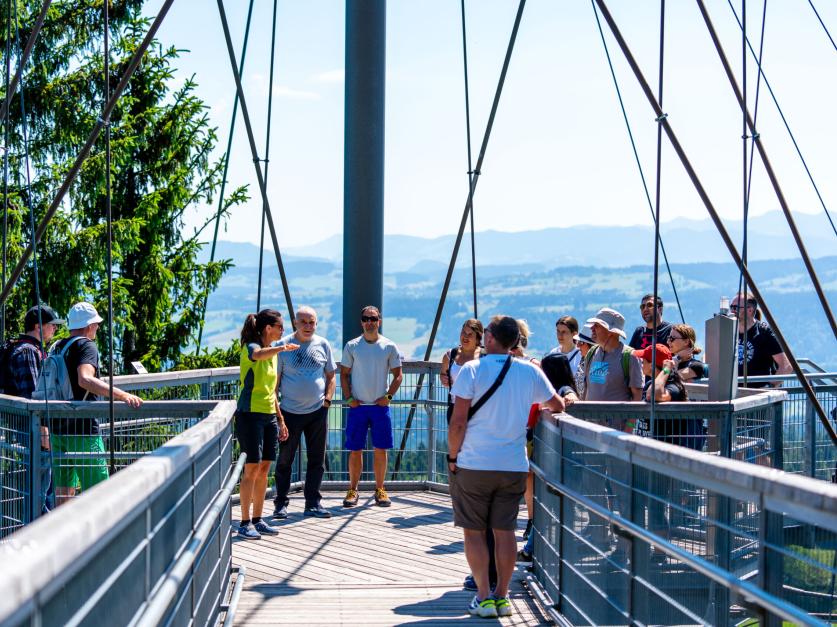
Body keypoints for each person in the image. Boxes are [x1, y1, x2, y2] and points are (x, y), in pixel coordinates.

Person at [448, 315, 565, 618]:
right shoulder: (529, 371)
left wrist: (452, 457)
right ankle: (502, 596)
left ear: (489, 338)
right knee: (505, 532)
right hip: (513, 464)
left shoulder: (472, 370)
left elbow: (458, 422)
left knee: (474, 532)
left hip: (474, 463)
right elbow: (557, 405)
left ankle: (483, 596)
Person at [50, 302, 143, 506]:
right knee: (98, 491)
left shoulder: (58, 346)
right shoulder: (86, 345)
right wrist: (122, 395)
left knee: (63, 490)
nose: (98, 327)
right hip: (82, 429)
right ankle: (98, 527)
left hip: (58, 427)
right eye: (96, 324)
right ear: (89, 325)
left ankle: (63, 526)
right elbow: (85, 379)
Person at [235, 309, 297, 540]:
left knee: (264, 469)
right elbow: (258, 354)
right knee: (251, 468)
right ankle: (244, 522)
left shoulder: (272, 354)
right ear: (268, 328)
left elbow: (271, 392)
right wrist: (281, 348)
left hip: (269, 415)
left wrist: (280, 419)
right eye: (280, 327)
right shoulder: (252, 347)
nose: (282, 331)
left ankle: (258, 519)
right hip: (250, 415)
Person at [272, 306, 336, 520]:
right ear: (295, 323)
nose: (308, 326)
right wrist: (278, 415)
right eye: (304, 322)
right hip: (289, 412)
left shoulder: (323, 344)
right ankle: (280, 504)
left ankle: (313, 503)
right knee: (285, 460)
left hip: (317, 411)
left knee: (317, 459)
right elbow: (275, 383)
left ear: (316, 324)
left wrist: (327, 401)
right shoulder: (282, 346)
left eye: (312, 322)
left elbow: (331, 376)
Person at [2, 305, 66, 513]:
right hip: (34, 430)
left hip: (27, 427)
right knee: (40, 488)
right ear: (38, 326)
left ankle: (39, 524)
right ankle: (39, 528)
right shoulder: (29, 351)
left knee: (40, 488)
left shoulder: (22, 347)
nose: (55, 329)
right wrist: (43, 430)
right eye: (52, 325)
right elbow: (32, 394)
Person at [517, 351, 578, 563]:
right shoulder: (552, 391)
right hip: (555, 456)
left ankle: (533, 550)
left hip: (557, 457)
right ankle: (535, 549)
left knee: (549, 507)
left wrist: (568, 400)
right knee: (551, 507)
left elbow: (571, 397)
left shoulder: (562, 390)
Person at [340, 306, 403, 508]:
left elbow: (398, 375)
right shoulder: (352, 346)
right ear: (361, 322)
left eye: (373, 319)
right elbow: (343, 374)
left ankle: (380, 489)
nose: (369, 322)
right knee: (355, 450)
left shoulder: (389, 346)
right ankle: (353, 490)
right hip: (358, 406)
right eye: (366, 318)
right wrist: (349, 398)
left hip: (379, 407)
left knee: (381, 449)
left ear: (379, 321)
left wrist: (389, 396)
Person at [583, 308, 643, 409]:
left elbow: (637, 396)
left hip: (618, 419)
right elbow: (586, 388)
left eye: (597, 325)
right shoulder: (591, 353)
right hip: (590, 418)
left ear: (610, 332)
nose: (592, 328)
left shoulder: (630, 356)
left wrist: (630, 420)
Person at [731, 293, 791, 388]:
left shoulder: (764, 332)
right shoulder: (728, 331)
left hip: (758, 393)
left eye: (736, 307)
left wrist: (769, 387)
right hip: (732, 392)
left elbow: (786, 366)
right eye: (731, 307)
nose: (732, 311)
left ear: (750, 310)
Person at [440, 319, 483, 424]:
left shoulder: (485, 356)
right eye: (463, 332)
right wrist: (443, 378)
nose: (465, 337)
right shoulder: (450, 355)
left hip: (478, 408)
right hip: (455, 408)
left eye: (470, 334)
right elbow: (443, 375)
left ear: (478, 337)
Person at [573, 323, 596, 398]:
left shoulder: (599, 365)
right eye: (577, 342)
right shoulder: (582, 361)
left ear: (592, 346)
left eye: (581, 342)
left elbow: (597, 391)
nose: (577, 346)